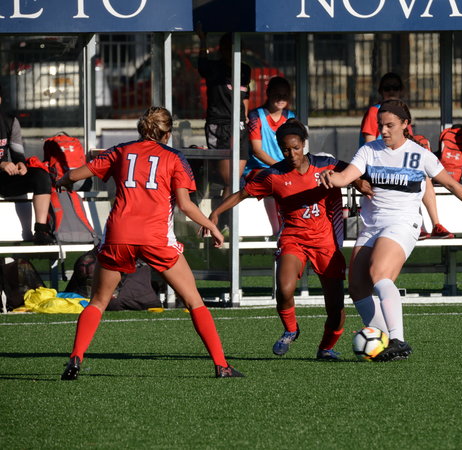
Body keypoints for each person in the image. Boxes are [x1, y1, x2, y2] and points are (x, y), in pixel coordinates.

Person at [57, 107, 243, 380]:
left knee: (98, 301)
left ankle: (75, 358)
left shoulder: (120, 151)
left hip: (119, 235)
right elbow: (185, 205)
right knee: (194, 301)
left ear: (141, 129)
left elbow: (75, 175)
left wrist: (62, 180)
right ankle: (221, 365)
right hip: (155, 238)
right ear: (168, 133)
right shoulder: (174, 158)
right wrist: (212, 225)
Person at [320, 99, 462, 361]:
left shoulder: (420, 155)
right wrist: (331, 177)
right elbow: (345, 177)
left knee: (379, 274)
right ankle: (383, 341)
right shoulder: (369, 150)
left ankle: (398, 339)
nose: (383, 130)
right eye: (380, 125)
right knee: (357, 286)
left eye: (390, 125)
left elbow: (451, 184)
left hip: (402, 223)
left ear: (405, 124)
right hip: (372, 225)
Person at [205, 119, 350, 360]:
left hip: (325, 242)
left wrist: (363, 183)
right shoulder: (274, 175)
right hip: (293, 239)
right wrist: (216, 213)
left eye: (296, 148)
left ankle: (326, 348)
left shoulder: (326, 165)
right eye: (285, 149)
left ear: (304, 144)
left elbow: (356, 171)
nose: (291, 154)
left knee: (335, 306)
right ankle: (291, 330)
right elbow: (242, 194)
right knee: (284, 289)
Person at [360, 72, 454, 240]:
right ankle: (416, 225)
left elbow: (409, 143)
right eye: (387, 88)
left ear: (402, 91)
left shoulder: (400, 115)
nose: (391, 91)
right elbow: (369, 145)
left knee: (422, 175)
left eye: (395, 88)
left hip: (399, 163)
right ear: (381, 91)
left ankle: (435, 224)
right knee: (414, 176)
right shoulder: (375, 112)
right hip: (379, 165)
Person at [197, 25, 251, 200]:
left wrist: (245, 115)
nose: (231, 51)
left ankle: (225, 217)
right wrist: (203, 40)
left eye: (235, 47)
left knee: (234, 181)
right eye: (227, 47)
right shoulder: (214, 68)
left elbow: (245, 95)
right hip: (219, 125)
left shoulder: (245, 70)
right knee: (229, 179)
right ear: (221, 49)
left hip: (239, 126)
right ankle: (204, 173)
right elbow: (201, 65)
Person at [0, 85, 55, 245]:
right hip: (2, 168)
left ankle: (41, 231)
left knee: (41, 176)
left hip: (4, 179)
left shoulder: (10, 121)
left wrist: (21, 164)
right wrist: (1, 164)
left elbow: (18, 153)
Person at [243, 76, 296, 235]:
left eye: (284, 95)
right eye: (277, 94)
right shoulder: (256, 116)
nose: (280, 99)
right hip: (258, 169)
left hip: (283, 169)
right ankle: (278, 231)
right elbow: (257, 150)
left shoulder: (291, 117)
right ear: (268, 93)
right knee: (274, 181)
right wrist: (279, 167)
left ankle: (294, 227)